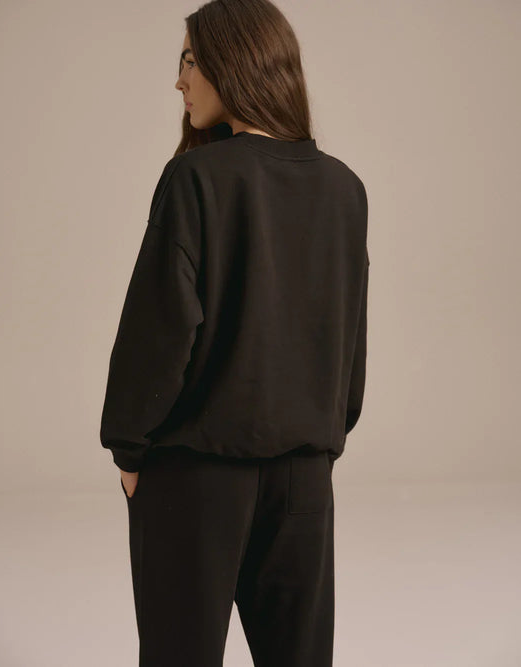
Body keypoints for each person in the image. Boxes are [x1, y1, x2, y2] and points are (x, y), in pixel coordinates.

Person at [99, 0, 369, 665]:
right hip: (304, 476)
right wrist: (322, 435)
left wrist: (128, 449)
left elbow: (159, 329)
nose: (179, 80)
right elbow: (347, 336)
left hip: (196, 473)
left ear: (233, 62)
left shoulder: (196, 178)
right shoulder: (344, 187)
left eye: (190, 61)